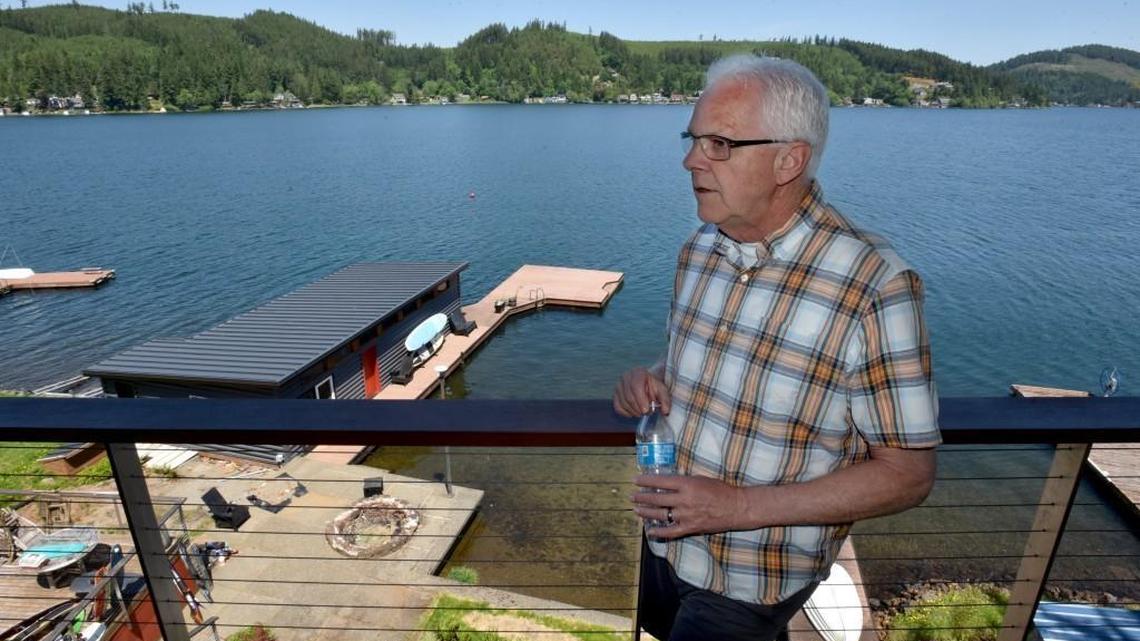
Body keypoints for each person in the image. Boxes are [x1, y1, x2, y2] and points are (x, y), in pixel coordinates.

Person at [614, 54, 942, 641]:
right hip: (665, 543)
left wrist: (735, 507)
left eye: (719, 144)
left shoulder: (873, 285)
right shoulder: (699, 251)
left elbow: (908, 474)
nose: (690, 159)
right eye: (693, 139)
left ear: (789, 160)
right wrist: (657, 375)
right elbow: (711, 357)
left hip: (753, 578)